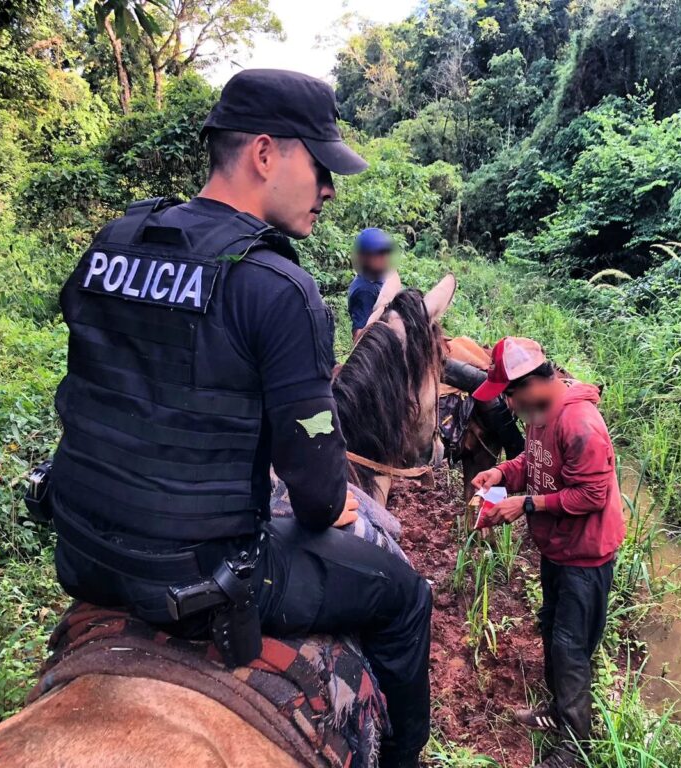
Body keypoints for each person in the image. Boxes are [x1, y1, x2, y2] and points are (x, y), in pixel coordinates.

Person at [49, 69, 431, 768]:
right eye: (320, 168)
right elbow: (315, 491)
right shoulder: (277, 287)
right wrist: (333, 490)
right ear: (265, 154)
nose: (329, 191)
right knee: (406, 597)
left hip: (83, 557)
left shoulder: (113, 243)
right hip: (209, 581)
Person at [470, 337, 625, 768]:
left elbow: (591, 495)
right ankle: (558, 712)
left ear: (530, 383)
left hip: (585, 556)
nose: (508, 403)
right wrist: (501, 471)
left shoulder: (579, 423)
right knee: (552, 631)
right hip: (557, 548)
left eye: (509, 394)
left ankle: (576, 748)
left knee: (571, 647)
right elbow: (531, 462)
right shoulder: (540, 413)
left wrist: (528, 504)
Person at [348, 227, 394, 337]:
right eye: (379, 254)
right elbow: (359, 336)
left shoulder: (376, 279)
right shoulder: (365, 290)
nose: (385, 258)